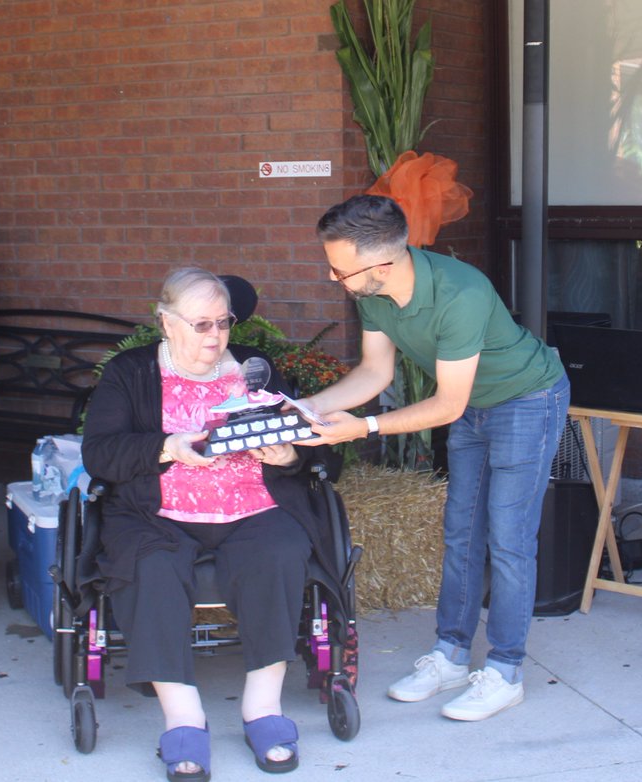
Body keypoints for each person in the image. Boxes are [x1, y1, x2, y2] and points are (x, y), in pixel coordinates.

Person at [303, 194, 570, 721]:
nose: (334, 278)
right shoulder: (373, 292)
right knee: (460, 532)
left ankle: (506, 671)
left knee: (509, 539)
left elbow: (447, 405)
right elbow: (374, 372)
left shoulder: (459, 293)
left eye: (340, 270)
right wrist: (306, 407)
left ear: (381, 264)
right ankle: (450, 654)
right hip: (472, 407)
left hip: (526, 400)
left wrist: (364, 427)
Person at [82, 267, 343, 780]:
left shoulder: (254, 368)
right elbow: (100, 454)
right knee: (150, 565)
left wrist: (289, 454)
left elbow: (316, 447)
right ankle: (183, 717)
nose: (215, 335)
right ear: (166, 322)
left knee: (278, 550)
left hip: (254, 508)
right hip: (157, 514)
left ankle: (263, 708)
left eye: (223, 323)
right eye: (201, 324)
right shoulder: (131, 372)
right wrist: (166, 446)